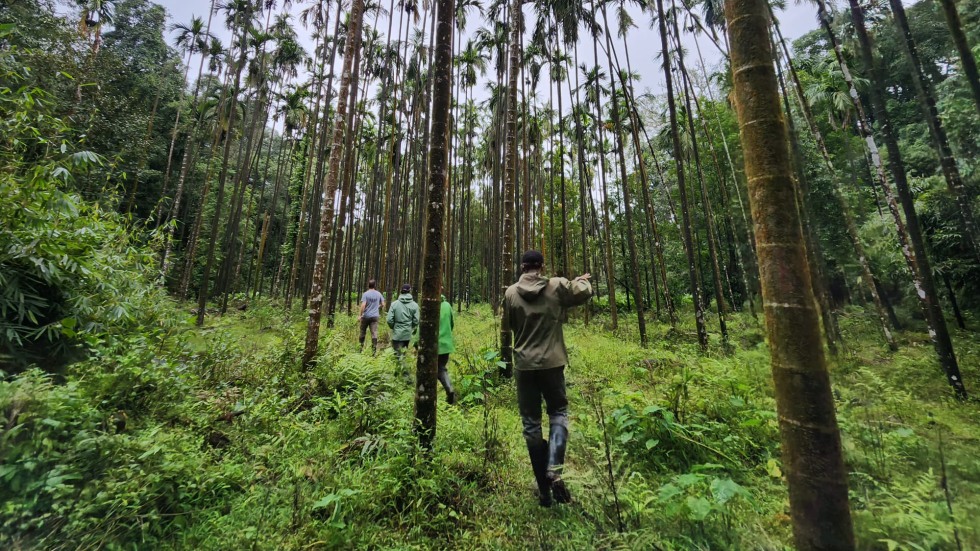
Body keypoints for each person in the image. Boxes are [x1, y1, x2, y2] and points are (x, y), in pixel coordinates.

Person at [502, 250, 592, 507]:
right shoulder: (556, 286)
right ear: (541, 266)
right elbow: (583, 292)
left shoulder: (510, 293)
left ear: (522, 267)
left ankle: (544, 491)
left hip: (524, 367)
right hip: (553, 364)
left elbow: (510, 325)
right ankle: (554, 467)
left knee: (531, 425)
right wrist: (581, 279)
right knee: (558, 413)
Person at [386, 283, 419, 378]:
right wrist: (410, 327)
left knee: (397, 355)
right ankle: (397, 375)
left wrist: (394, 327)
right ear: (409, 291)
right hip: (407, 335)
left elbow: (389, 319)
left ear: (401, 291)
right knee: (402, 354)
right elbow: (416, 320)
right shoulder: (415, 305)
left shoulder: (394, 304)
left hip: (397, 334)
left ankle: (406, 376)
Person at [437, 290, 456, 405]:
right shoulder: (447, 305)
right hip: (446, 345)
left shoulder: (428, 306)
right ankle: (448, 389)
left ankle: (449, 389)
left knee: (437, 370)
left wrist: (416, 343)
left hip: (434, 344)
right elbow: (452, 323)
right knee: (441, 368)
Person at [358, 279, 386, 354]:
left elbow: (363, 305)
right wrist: (377, 306)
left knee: (362, 332)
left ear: (368, 285)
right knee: (374, 333)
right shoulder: (378, 294)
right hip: (375, 316)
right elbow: (383, 304)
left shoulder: (366, 294)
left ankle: (360, 349)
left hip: (366, 316)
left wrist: (360, 315)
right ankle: (373, 351)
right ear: (374, 285)